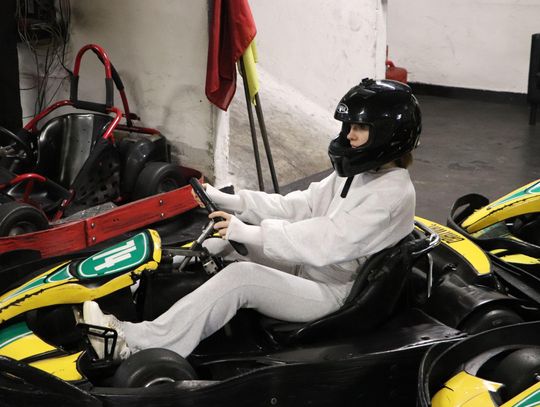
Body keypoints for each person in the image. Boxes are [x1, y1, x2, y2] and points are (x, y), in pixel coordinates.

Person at [83, 78, 422, 360]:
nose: (349, 135)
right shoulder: (361, 173)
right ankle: (141, 300)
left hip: (332, 292)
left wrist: (251, 233)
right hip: (310, 268)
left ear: (388, 134)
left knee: (241, 278)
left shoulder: (391, 195)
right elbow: (299, 206)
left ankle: (134, 343)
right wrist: (233, 201)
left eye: (360, 128)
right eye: (349, 126)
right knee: (220, 244)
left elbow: (327, 240)